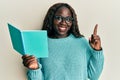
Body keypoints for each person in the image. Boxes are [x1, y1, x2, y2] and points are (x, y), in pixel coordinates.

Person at [22, 3, 104, 80]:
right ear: (51, 19)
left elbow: (94, 76)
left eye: (68, 19)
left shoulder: (81, 42)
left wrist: (97, 51)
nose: (63, 22)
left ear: (72, 22)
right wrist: (34, 69)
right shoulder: (40, 43)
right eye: (59, 18)